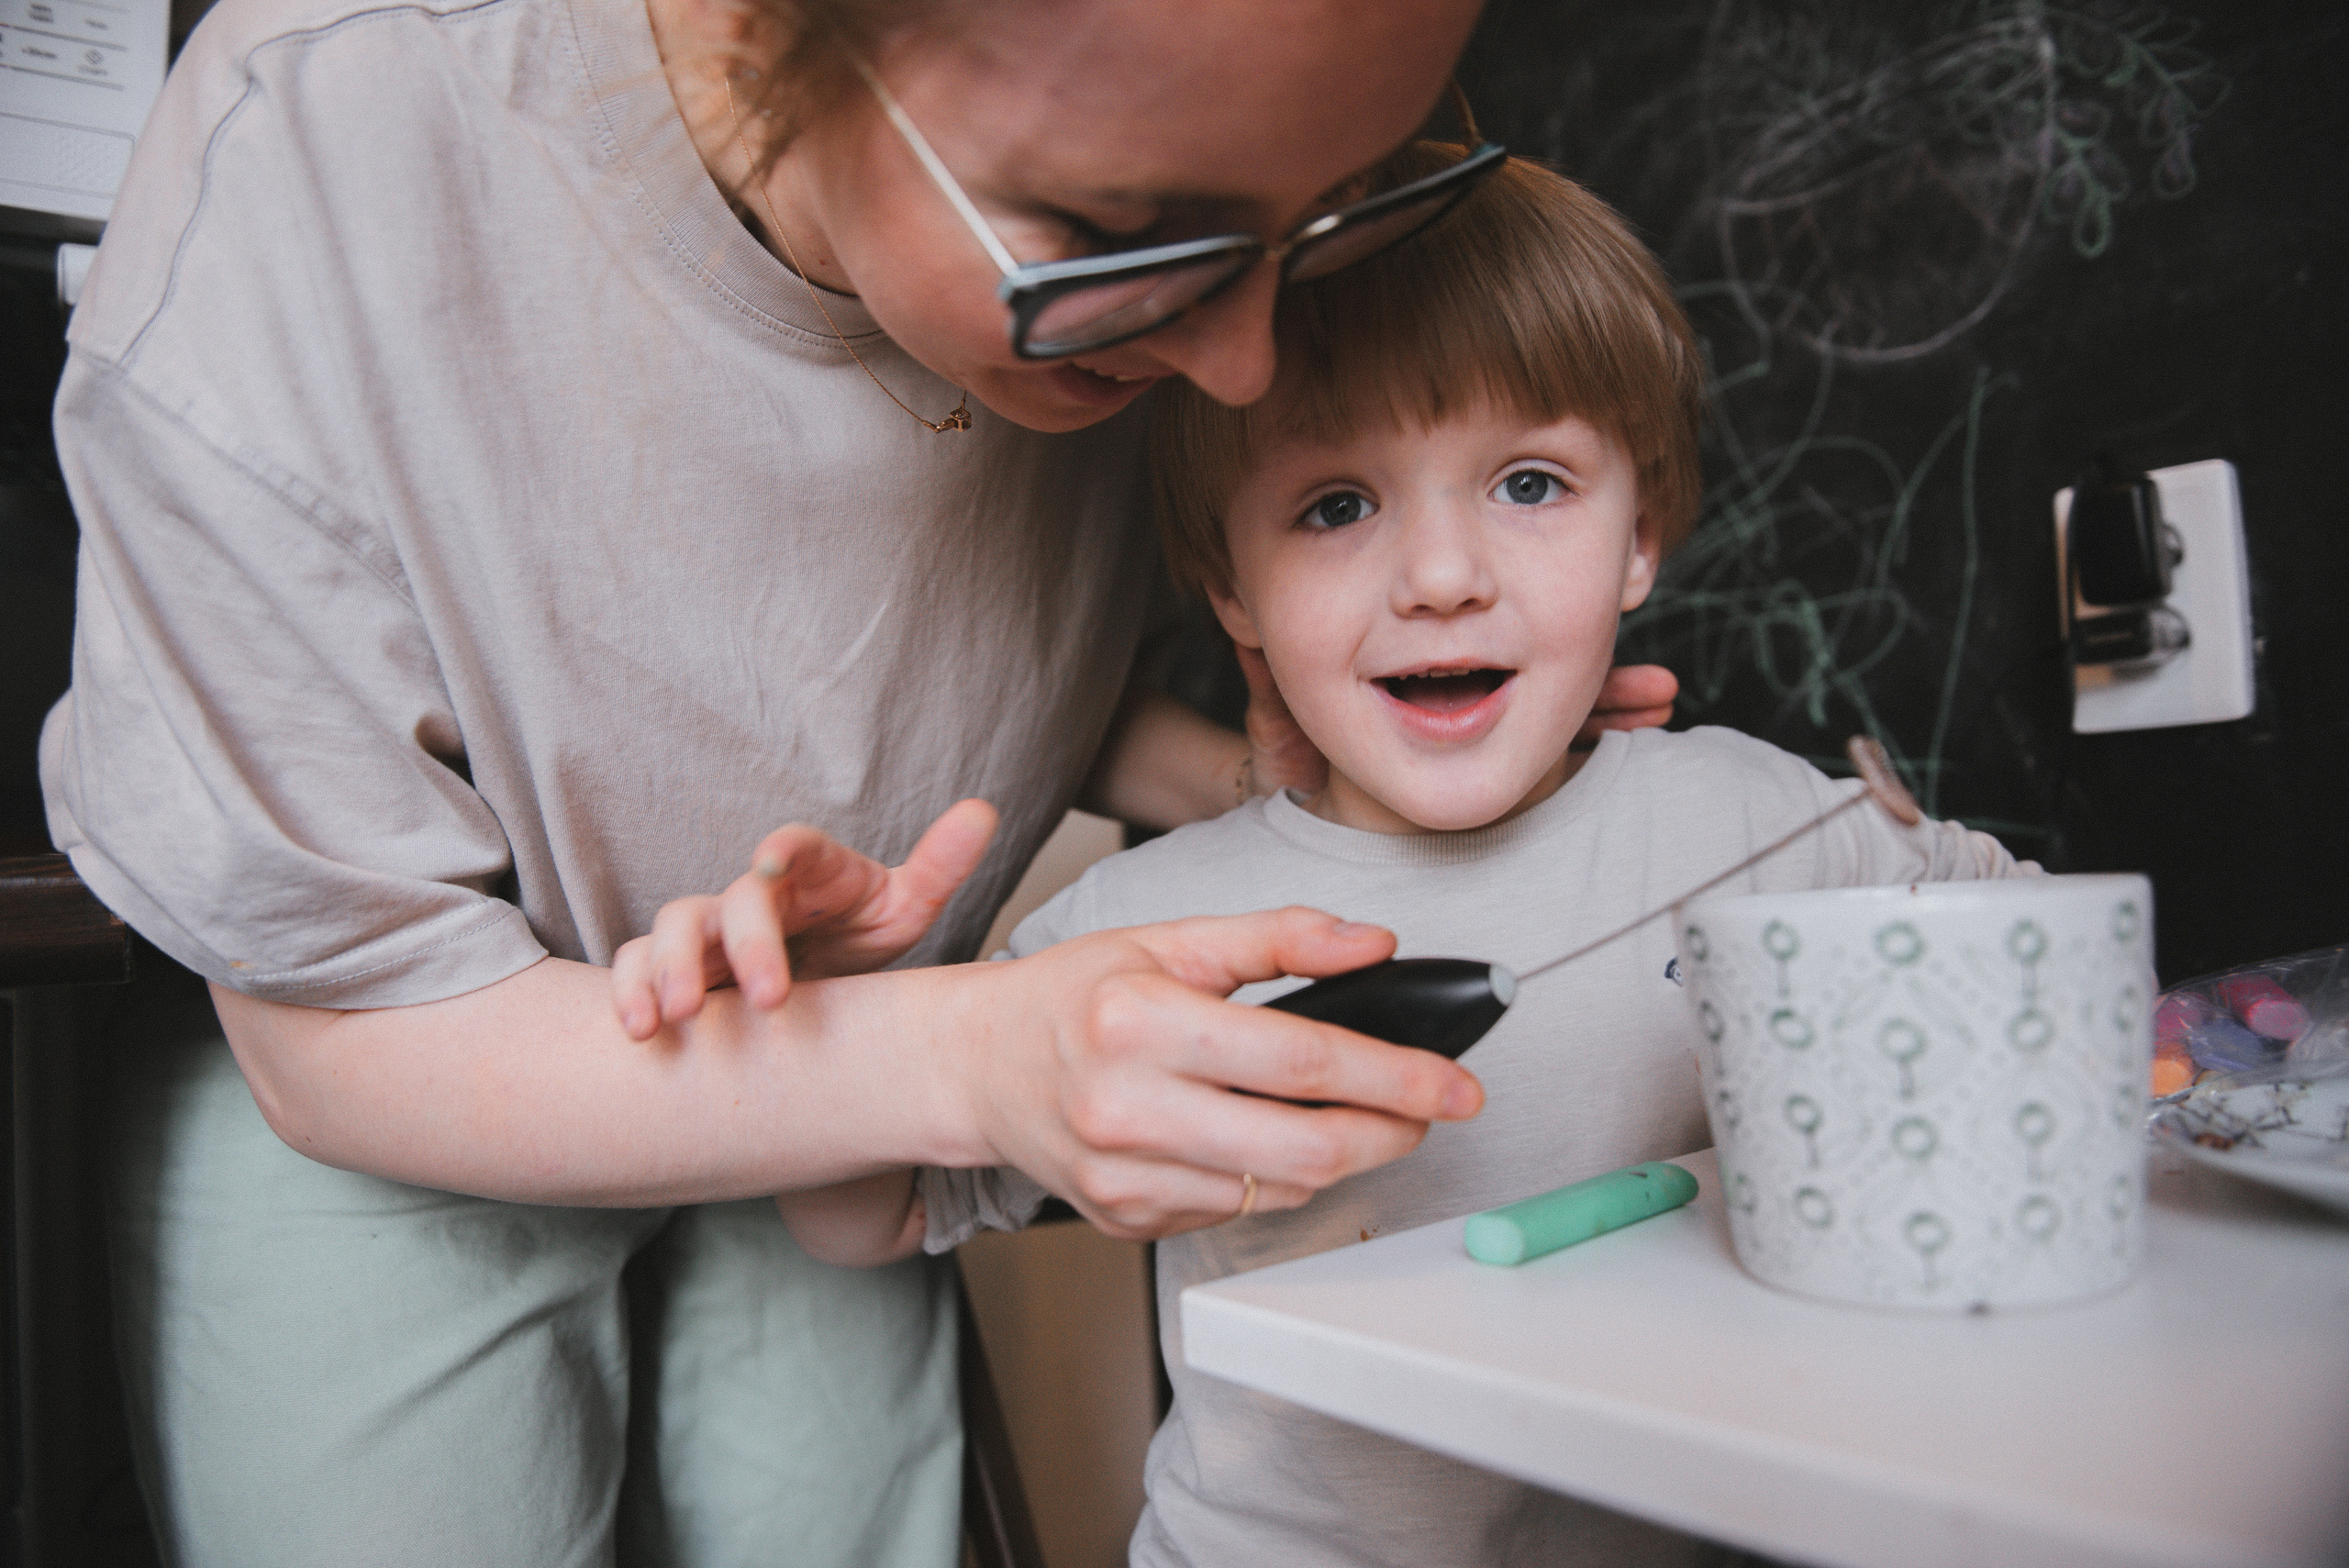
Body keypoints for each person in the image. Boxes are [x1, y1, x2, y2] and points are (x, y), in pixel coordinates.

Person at [40, 0, 1681, 1561]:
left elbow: (936, 630)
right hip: (424, 1079)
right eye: (1124, 238)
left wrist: (1274, 782)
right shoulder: (313, 147)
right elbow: (337, 1033)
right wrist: (958, 1055)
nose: (1243, 362)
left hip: (854, 1069)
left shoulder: (1168, 228)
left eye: (1328, 214)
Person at [706, 150, 2033, 1564]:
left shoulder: (1753, 821)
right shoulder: (1143, 930)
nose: (1443, 576)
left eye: (1531, 482)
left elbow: (2031, 948)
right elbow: (879, 1211)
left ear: (1639, 537)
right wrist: (832, 1013)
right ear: (1234, 589)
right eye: (1337, 506)